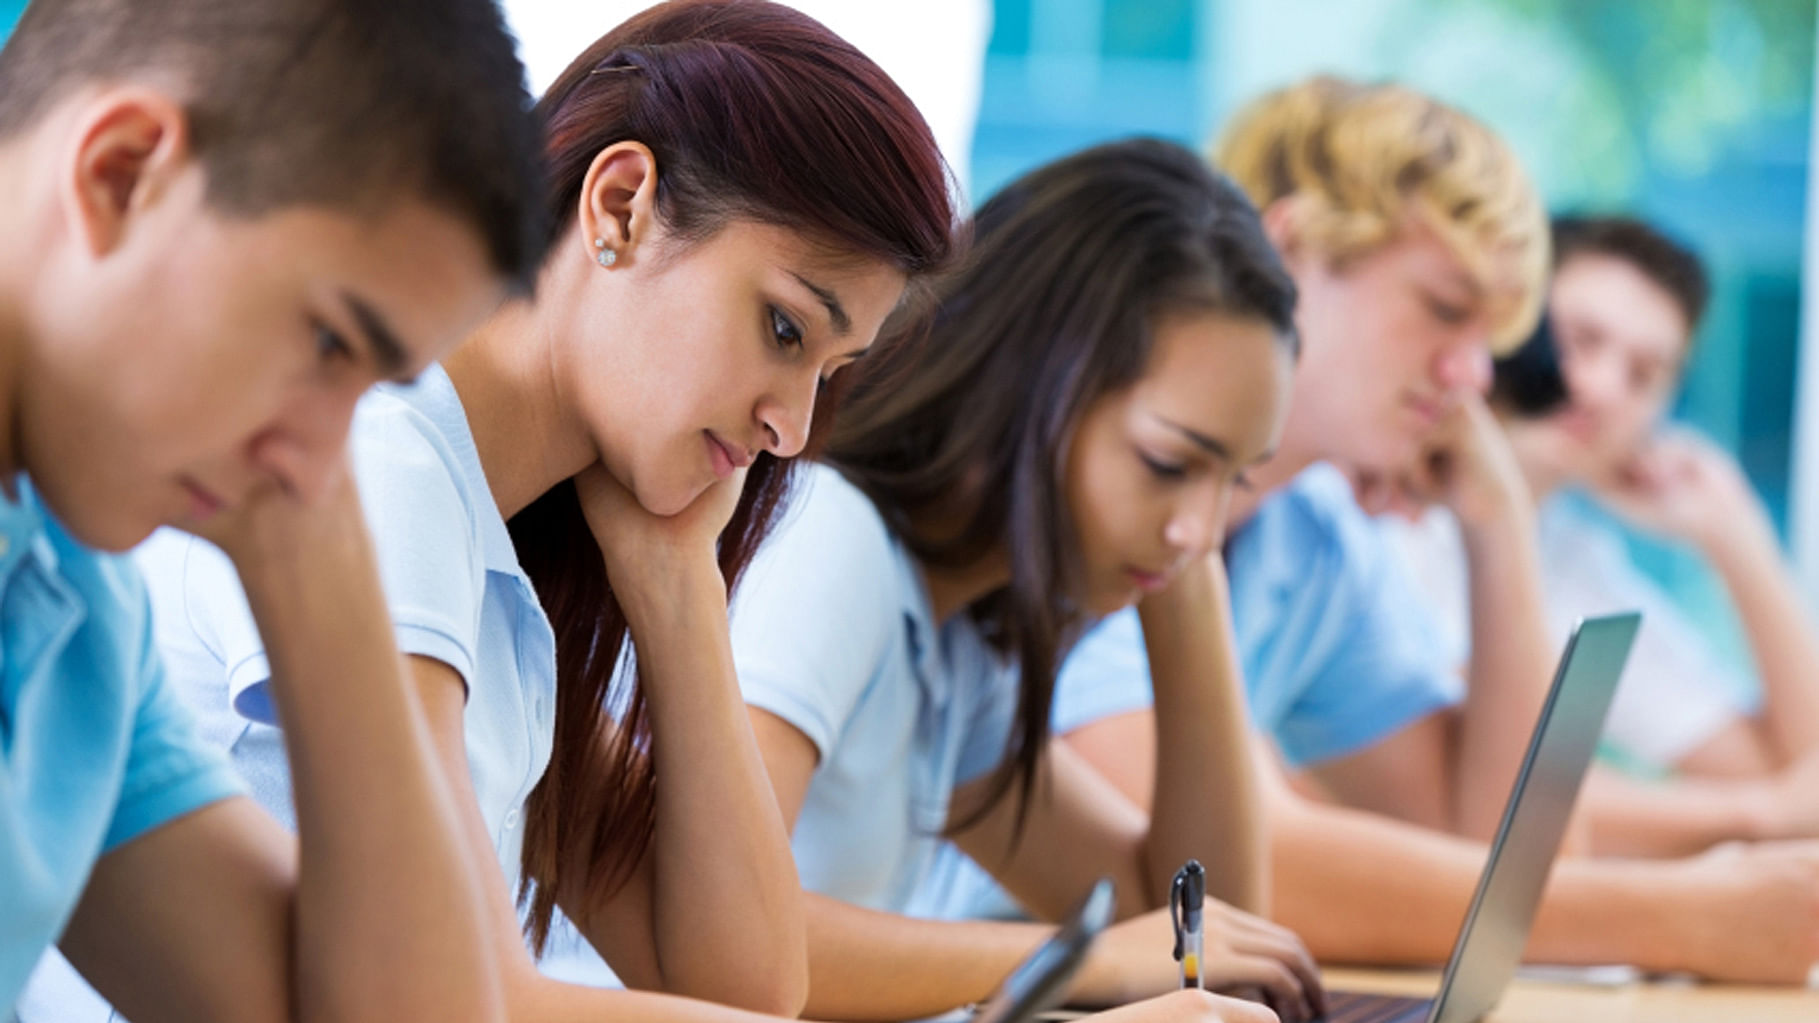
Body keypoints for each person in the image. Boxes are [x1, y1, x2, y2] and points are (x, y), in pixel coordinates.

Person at [20, 2, 969, 1021]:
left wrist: (676, 578)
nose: (790, 430)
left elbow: (731, 985)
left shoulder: (79, 612)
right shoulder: (385, 453)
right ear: (620, 211)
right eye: (784, 329)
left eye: (832, 373)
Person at [941, 76, 1819, 985]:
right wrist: (1669, 919)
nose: (1470, 372)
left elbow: (1491, 846)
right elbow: (1216, 883)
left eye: (1489, 335)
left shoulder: (1313, 538)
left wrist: (1497, 525)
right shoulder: (1119, 490)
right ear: (1285, 255)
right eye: (1444, 309)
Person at [0, 0, 550, 1019]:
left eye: (375, 394)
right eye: (332, 344)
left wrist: (313, 550)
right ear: (121, 173)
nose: (321, 466)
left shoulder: (78, 611)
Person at [730, 137, 1315, 1023]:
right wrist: (1069, 961)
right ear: (1029, 379)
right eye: (1167, 462)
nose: (1198, 527)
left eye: (1232, 477)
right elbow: (717, 938)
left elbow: (1192, 942)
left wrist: (1187, 592)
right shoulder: (830, 539)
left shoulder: (952, 640)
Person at [1387, 215, 1819, 858]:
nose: (1600, 389)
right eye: (1580, 340)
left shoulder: (1577, 567)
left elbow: (1795, 777)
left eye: (1643, 375)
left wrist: (1737, 537)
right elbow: (1461, 783)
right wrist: (1756, 817)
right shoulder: (1379, 514)